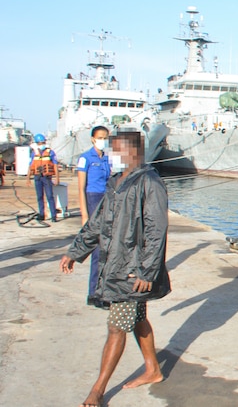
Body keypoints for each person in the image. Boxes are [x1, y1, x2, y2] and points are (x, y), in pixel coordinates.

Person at [59, 130, 170, 407]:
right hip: (117, 266)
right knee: (137, 318)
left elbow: (157, 230)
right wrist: (75, 251)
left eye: (116, 150)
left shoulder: (149, 182)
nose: (110, 155)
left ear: (132, 152)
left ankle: (97, 390)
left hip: (133, 272)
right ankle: (153, 369)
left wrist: (147, 271)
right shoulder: (115, 182)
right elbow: (97, 223)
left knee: (116, 327)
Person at [77, 125, 112, 307]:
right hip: (93, 200)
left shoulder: (109, 158)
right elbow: (81, 188)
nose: (103, 140)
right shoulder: (85, 158)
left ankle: (100, 291)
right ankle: (96, 293)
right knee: (98, 249)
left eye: (106, 137)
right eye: (100, 137)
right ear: (92, 139)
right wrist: (84, 214)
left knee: (108, 249)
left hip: (108, 200)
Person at [26, 133, 60, 222]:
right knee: (39, 196)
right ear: (37, 144)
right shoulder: (34, 153)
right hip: (37, 177)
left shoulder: (50, 152)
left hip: (47, 177)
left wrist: (57, 178)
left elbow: (55, 165)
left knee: (49, 196)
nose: (41, 145)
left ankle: (53, 216)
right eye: (39, 143)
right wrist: (28, 178)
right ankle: (41, 214)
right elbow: (30, 166)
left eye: (43, 143)